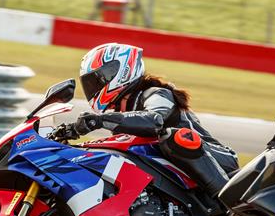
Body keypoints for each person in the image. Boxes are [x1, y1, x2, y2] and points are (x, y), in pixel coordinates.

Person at [60, 42, 238, 199]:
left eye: (98, 80)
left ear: (121, 71)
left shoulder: (156, 93)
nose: (93, 87)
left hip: (219, 161)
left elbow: (155, 120)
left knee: (173, 138)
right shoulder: (123, 113)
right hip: (182, 178)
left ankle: (228, 203)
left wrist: (99, 120)